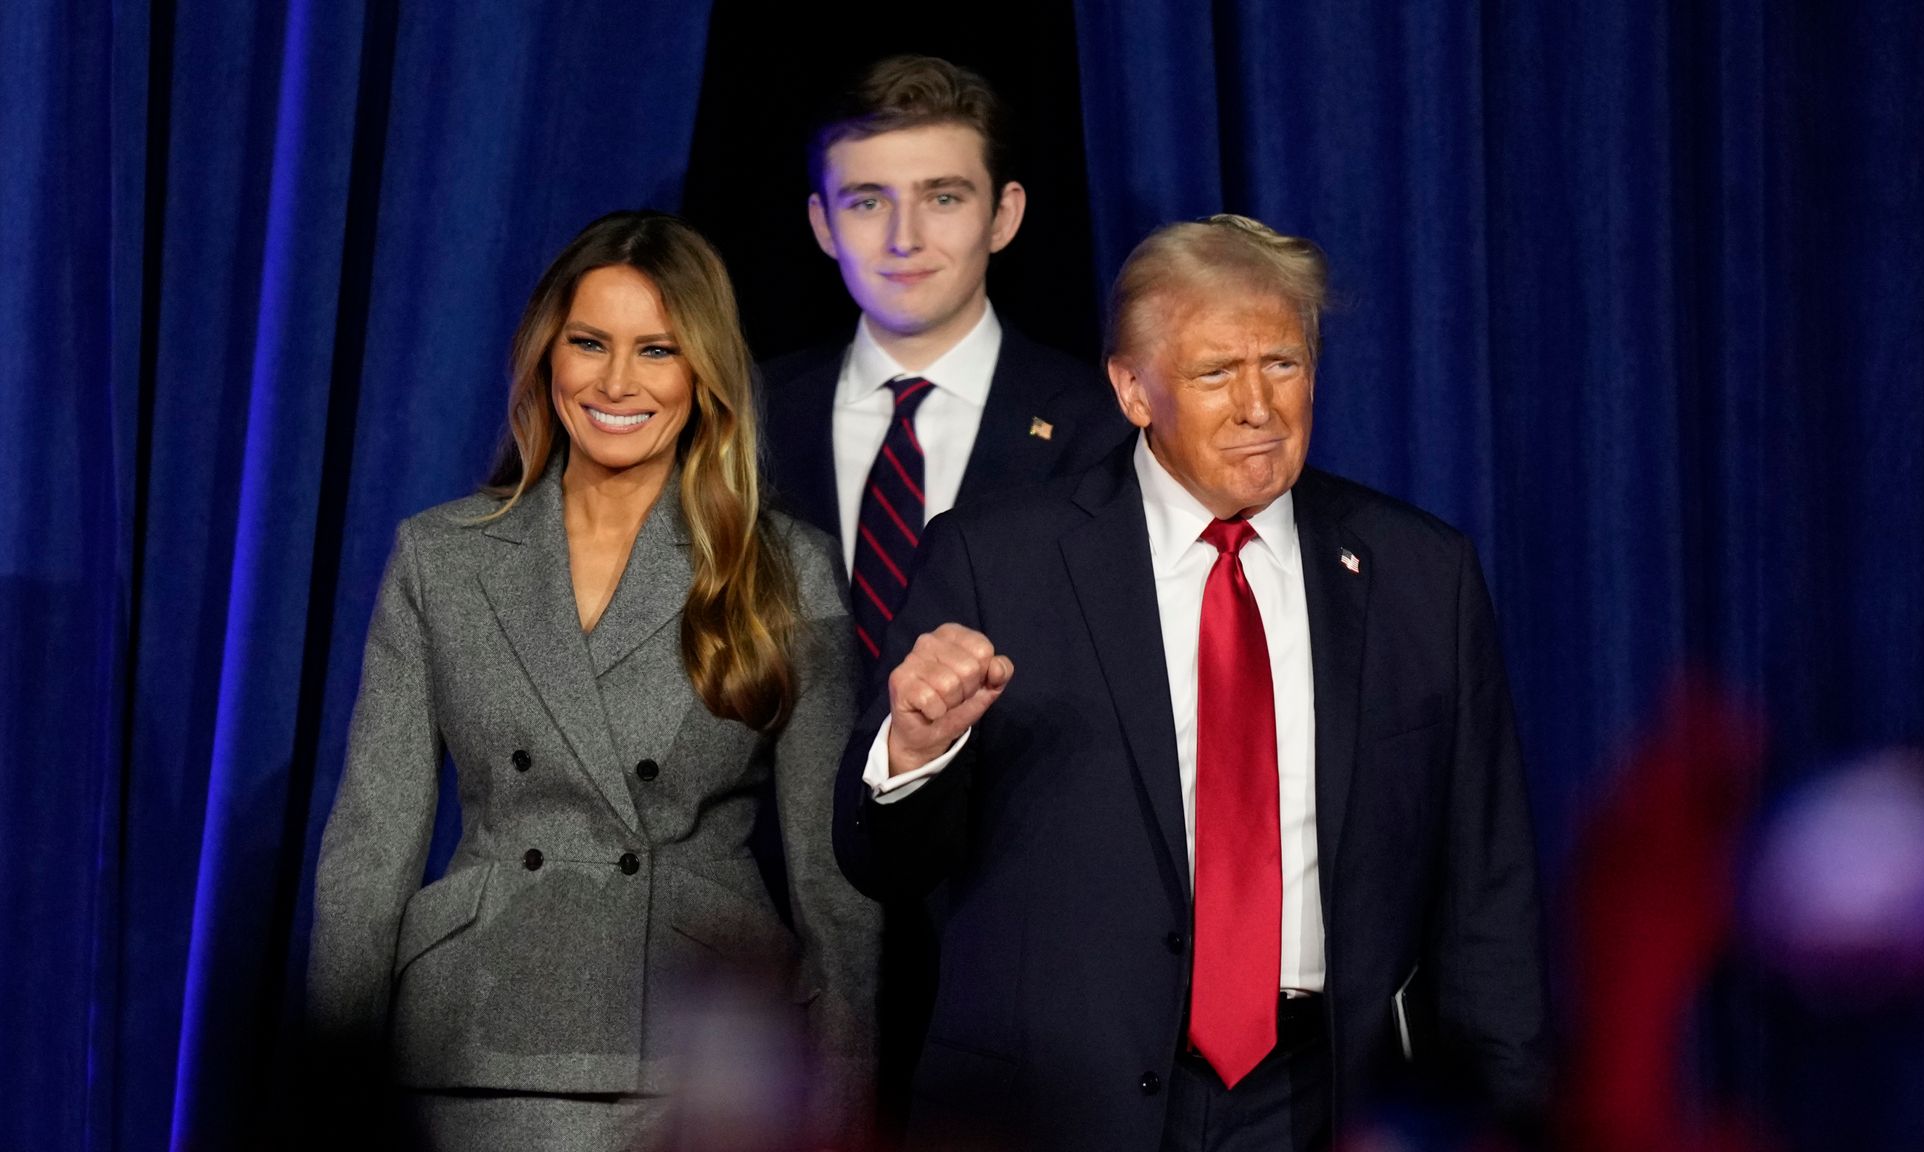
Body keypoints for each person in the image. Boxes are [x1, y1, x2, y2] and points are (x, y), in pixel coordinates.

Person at [833, 215, 1552, 1150]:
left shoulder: (1422, 576)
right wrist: (917, 750)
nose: (1260, 406)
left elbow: (1487, 897)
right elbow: (880, 863)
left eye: (1284, 365)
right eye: (1217, 373)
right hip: (1059, 1111)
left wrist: (1506, 1122)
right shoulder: (996, 560)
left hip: (1321, 1103)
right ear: (1134, 389)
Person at [308, 211, 878, 1151]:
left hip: (696, 1049)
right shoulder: (442, 557)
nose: (618, 382)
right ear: (547, 356)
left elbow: (835, 885)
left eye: (657, 350)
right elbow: (370, 848)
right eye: (590, 344)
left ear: (703, 376)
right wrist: (329, 1095)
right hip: (470, 1043)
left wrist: (841, 1108)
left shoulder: (783, 568)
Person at [760, 54, 1126, 664]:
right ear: (823, 224)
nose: (905, 238)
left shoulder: (1098, 426)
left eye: (944, 198)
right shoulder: (749, 415)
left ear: (1002, 216)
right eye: (868, 203)